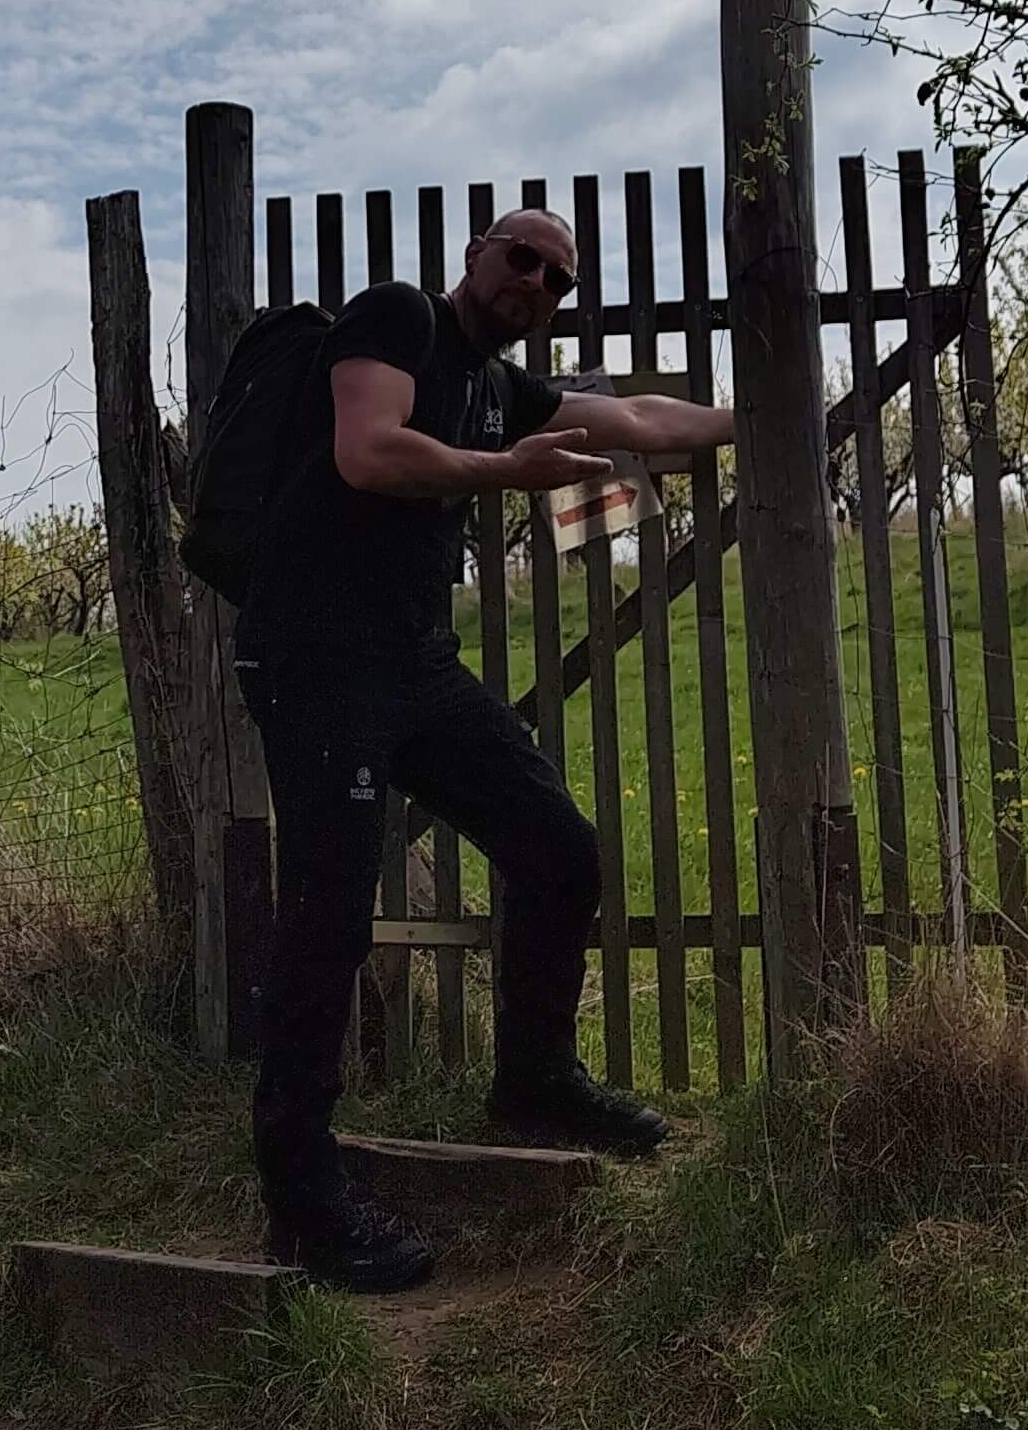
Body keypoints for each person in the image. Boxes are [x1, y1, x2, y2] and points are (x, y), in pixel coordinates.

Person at [233, 208, 737, 1291]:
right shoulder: (396, 318)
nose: (537, 283)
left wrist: (764, 416)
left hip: (413, 665)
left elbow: (638, 416)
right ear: (475, 254)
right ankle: (302, 1199)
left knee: (559, 852)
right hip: (317, 658)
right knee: (327, 916)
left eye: (559, 279)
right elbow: (368, 450)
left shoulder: (503, 387)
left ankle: (534, 1084)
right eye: (523, 258)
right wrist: (509, 470)